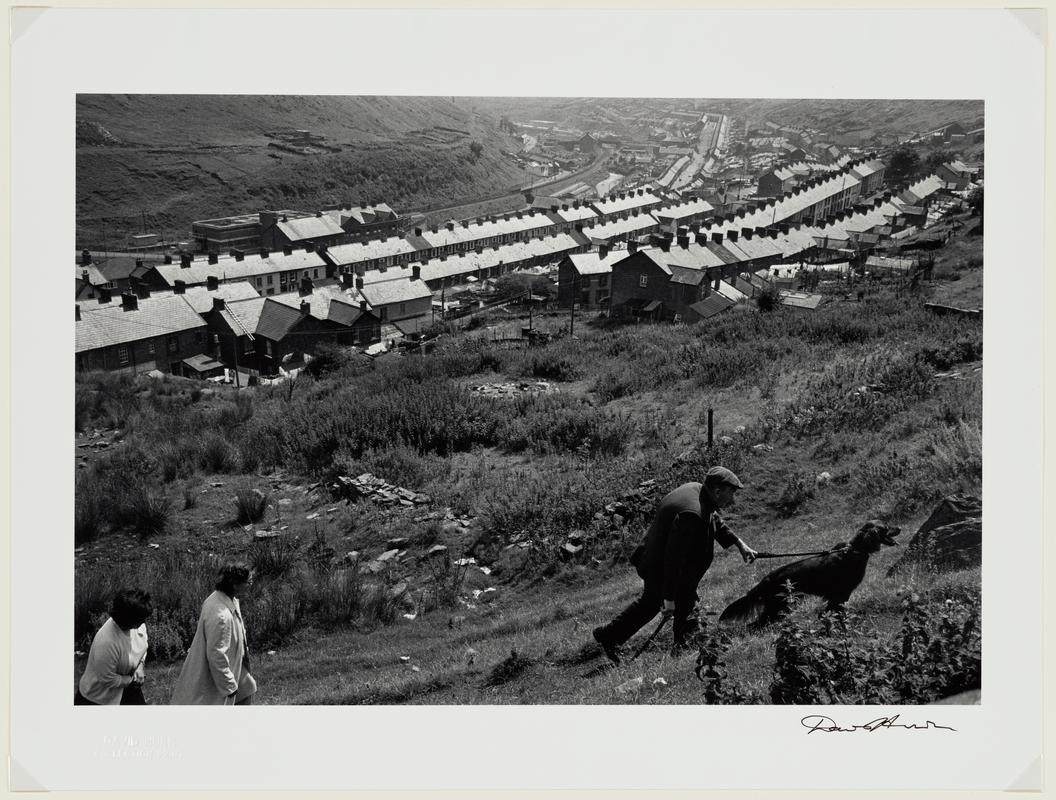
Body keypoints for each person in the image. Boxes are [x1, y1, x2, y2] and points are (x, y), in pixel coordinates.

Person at [593, 467, 757, 664]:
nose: (733, 501)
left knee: (663, 603)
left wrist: (739, 544)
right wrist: (669, 598)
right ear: (717, 491)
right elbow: (674, 558)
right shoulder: (691, 513)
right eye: (732, 494)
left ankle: (611, 636)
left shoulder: (699, 490)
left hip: (663, 562)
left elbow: (713, 518)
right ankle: (683, 650)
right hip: (660, 566)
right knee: (668, 603)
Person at [170, 563, 257, 705]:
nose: (251, 584)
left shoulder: (224, 599)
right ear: (235, 584)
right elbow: (216, 654)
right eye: (248, 582)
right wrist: (228, 686)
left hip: (235, 665)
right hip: (218, 675)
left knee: (248, 688)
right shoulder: (221, 615)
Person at [76, 589, 153, 705]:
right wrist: (131, 680)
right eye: (141, 620)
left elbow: (142, 646)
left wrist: (140, 665)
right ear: (129, 619)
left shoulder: (137, 623)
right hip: (99, 697)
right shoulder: (107, 642)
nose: (144, 622)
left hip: (128, 687)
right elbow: (108, 679)